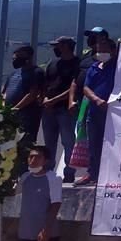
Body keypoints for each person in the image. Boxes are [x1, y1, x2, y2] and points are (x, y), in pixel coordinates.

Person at [76, 37, 116, 186]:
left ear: (113, 51)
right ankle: (92, 174)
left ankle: (110, 174)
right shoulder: (93, 67)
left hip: (113, 113)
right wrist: (96, 99)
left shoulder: (118, 67)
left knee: (111, 145)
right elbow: (86, 88)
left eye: (104, 50)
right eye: (98, 50)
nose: (101, 53)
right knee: (94, 144)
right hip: (94, 112)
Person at [41, 37, 79, 182]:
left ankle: (69, 174)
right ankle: (48, 172)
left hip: (64, 110)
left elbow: (73, 87)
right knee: (49, 143)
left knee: (68, 141)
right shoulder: (52, 63)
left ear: (67, 46)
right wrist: (45, 99)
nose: (55, 49)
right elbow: (46, 83)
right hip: (49, 110)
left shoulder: (77, 64)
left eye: (58, 46)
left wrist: (54, 100)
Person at [3, 45, 45, 143]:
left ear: (28, 57)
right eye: (14, 58)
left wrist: (16, 108)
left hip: (28, 115)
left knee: (26, 142)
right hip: (10, 115)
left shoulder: (37, 72)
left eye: (18, 57)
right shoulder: (13, 73)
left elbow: (32, 93)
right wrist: (4, 107)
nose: (15, 60)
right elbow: (5, 92)